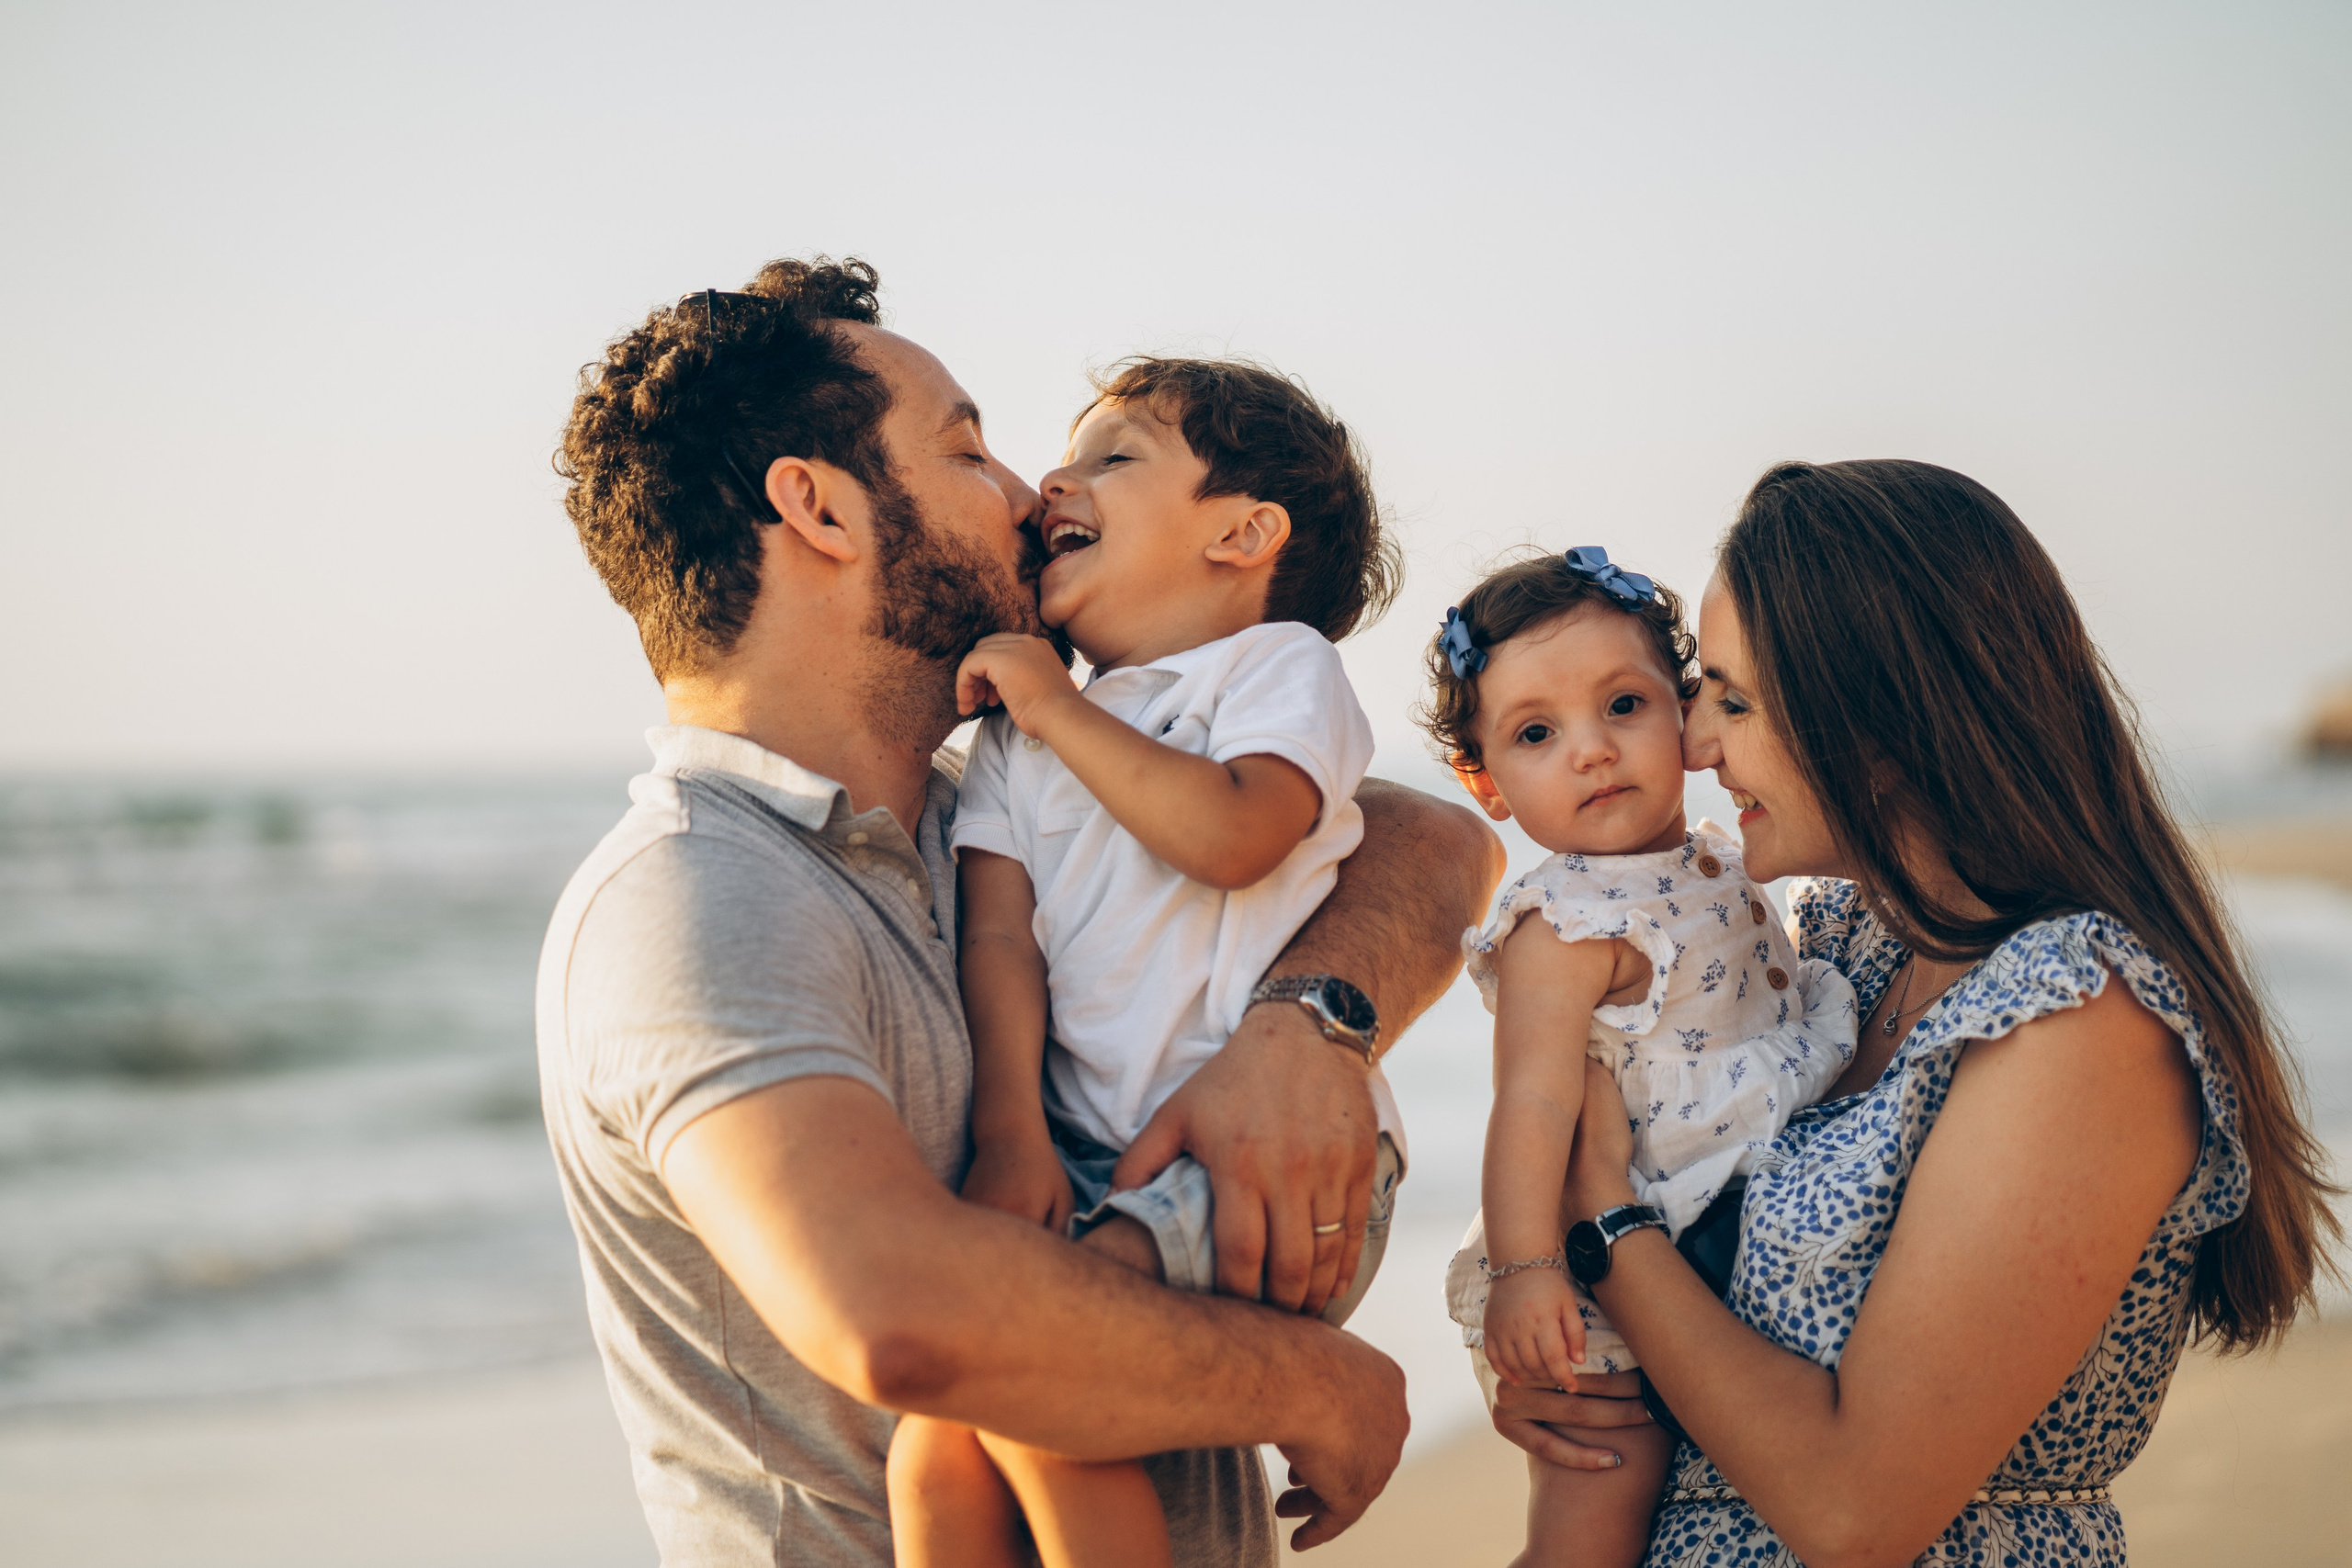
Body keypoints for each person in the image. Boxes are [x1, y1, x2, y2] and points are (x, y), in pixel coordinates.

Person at [538, 256, 1504, 1567]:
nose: (1022, 494)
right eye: (968, 451)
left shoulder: (991, 789)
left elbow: (1434, 840)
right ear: (818, 507)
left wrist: (1302, 1026)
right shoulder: (696, 895)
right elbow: (897, 1315)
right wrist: (1315, 1383)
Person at [1512, 459, 2339, 1566]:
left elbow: (1855, 1512)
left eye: (1735, 700)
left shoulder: (2078, 1014)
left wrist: (1603, 1225)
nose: (1696, 743)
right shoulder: (1839, 957)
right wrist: (1582, 1389)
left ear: (1883, 732)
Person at [886, 357, 1408, 1568]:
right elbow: (999, 937)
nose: (1055, 478)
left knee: (1044, 1386)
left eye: (1117, 456)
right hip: (1082, 1152)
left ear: (1241, 532)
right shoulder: (1016, 735)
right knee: (936, 1441)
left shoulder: (1278, 669)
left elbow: (1234, 832)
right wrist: (1013, 1128)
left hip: (1267, 1165)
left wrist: (1060, 710)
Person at [1418, 547, 1858, 1567]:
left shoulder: (1720, 853)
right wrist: (1529, 1271)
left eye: (1622, 706)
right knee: (1598, 1521)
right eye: (1536, 733)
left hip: (1700, 1218)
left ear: (1685, 708)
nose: (1591, 751)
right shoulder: (1561, 926)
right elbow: (1529, 1106)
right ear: (1484, 783)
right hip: (1592, 1284)